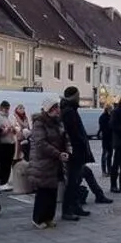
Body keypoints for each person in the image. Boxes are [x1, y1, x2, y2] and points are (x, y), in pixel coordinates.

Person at [28, 98, 70, 228]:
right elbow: (41, 143)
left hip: (54, 162)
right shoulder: (39, 123)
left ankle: (48, 218)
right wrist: (57, 153)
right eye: (55, 108)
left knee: (52, 191)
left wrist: (67, 149)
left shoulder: (57, 122)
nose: (58, 110)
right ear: (49, 110)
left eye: (58, 108)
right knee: (43, 192)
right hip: (43, 162)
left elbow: (63, 138)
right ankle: (38, 219)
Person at [59, 86, 94, 219]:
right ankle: (67, 210)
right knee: (72, 182)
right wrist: (80, 143)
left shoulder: (70, 109)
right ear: (74, 96)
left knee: (76, 180)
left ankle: (75, 206)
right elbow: (72, 133)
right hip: (74, 151)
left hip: (76, 150)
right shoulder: (68, 111)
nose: (79, 97)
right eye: (78, 95)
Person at [0, 101, 17, 189]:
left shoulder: (11, 116)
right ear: (0, 108)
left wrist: (14, 129)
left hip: (11, 141)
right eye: (5, 108)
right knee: (3, 163)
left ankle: (6, 181)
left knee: (8, 163)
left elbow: (16, 126)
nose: (7, 110)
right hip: (3, 143)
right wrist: (6, 129)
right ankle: (2, 182)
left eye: (8, 108)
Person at [98, 104, 114, 177]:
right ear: (107, 109)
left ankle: (110, 170)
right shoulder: (103, 117)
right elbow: (103, 128)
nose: (111, 111)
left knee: (110, 155)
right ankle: (104, 171)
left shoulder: (111, 116)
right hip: (106, 138)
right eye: (110, 109)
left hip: (111, 138)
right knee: (105, 154)